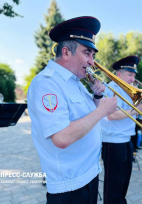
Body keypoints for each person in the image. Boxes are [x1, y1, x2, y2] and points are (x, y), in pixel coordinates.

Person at [27, 16, 117, 204]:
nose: (92, 62)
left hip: (89, 174)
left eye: (93, 55)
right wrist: (103, 111)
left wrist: (97, 98)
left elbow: (85, 119)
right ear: (66, 52)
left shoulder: (74, 82)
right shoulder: (47, 83)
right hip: (69, 186)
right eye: (87, 53)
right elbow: (62, 137)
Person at [100, 56, 142, 204]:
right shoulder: (110, 89)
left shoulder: (129, 90)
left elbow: (129, 113)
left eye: (134, 75)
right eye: (130, 75)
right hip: (112, 142)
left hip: (126, 140)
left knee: (123, 182)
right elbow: (112, 116)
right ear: (119, 74)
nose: (133, 79)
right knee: (113, 185)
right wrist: (136, 110)